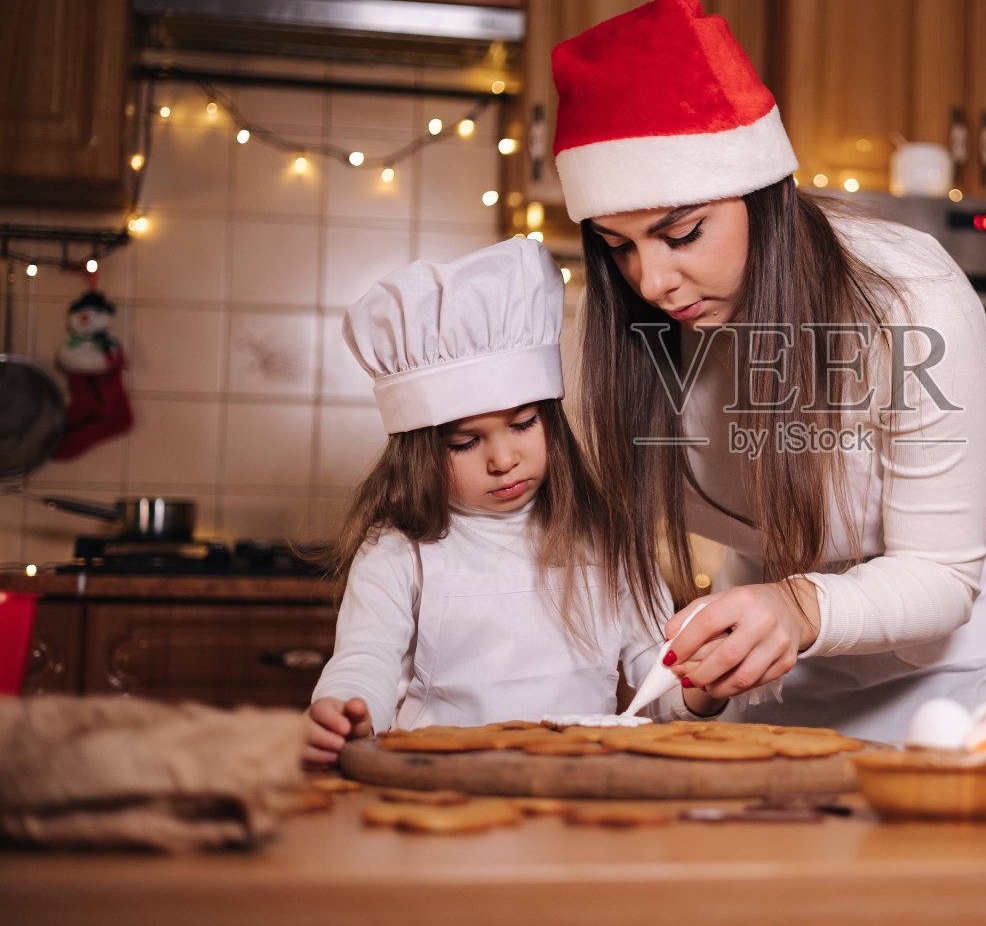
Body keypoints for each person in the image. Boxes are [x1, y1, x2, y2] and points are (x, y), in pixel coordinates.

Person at [552, 0, 986, 741]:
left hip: (957, 679)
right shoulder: (614, 334)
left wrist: (798, 605)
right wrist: (705, 676)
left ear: (764, 197)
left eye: (681, 234)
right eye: (620, 248)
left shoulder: (908, 299)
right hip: (780, 669)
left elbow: (943, 574)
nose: (651, 282)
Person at [302, 238, 715, 768]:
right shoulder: (399, 551)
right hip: (441, 786)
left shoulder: (606, 538)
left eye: (523, 425)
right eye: (465, 442)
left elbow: (656, 670)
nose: (503, 459)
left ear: (551, 421)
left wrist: (704, 690)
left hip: (577, 785)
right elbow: (366, 661)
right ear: (419, 452)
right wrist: (345, 710)